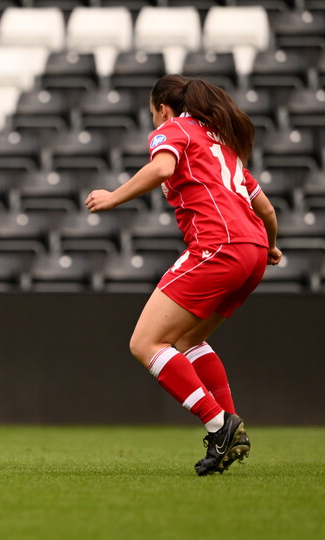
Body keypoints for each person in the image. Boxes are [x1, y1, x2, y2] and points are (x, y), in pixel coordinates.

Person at [85, 74, 281, 476]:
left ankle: (218, 425)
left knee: (145, 343)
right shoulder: (221, 144)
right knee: (189, 340)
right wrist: (272, 246)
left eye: (152, 110)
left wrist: (112, 197)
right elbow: (267, 210)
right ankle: (232, 426)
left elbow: (161, 169)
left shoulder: (172, 129)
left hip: (219, 246)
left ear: (161, 106)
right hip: (254, 251)